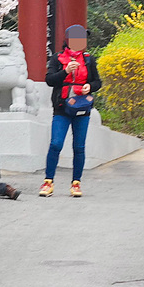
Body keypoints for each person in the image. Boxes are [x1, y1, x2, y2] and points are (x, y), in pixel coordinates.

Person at [42, 24, 101, 198]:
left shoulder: (89, 59)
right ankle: (48, 182)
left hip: (82, 107)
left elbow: (98, 82)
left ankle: (76, 183)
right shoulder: (57, 58)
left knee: (79, 146)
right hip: (62, 107)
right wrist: (66, 71)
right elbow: (49, 80)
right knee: (56, 144)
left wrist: (90, 86)